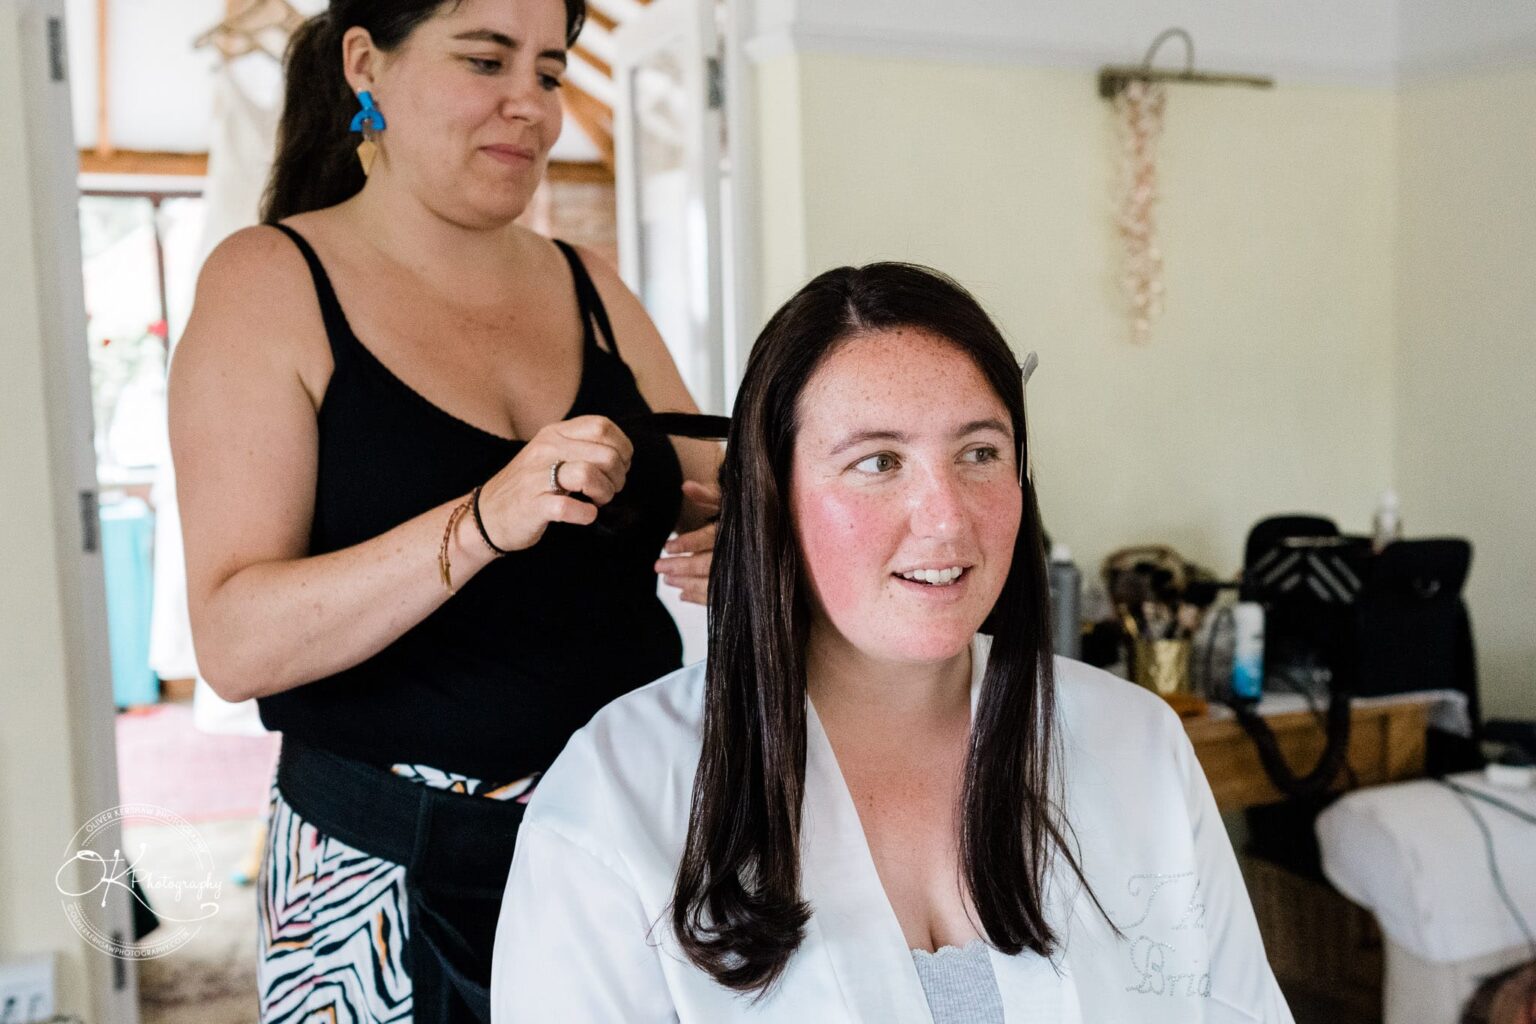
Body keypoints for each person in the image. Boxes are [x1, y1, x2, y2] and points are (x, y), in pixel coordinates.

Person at [491, 263, 1295, 1022]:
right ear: (772, 499)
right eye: (878, 462)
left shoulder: (1138, 744)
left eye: (980, 453)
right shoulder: (615, 797)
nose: (946, 517)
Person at [167, 1, 719, 1020]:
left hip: (630, 839)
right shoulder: (268, 284)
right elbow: (236, 641)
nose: (533, 106)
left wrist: (742, 533)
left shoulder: (588, 283)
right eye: (485, 59)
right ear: (366, 63)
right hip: (383, 886)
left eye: (550, 73)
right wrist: (482, 519)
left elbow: (707, 485)